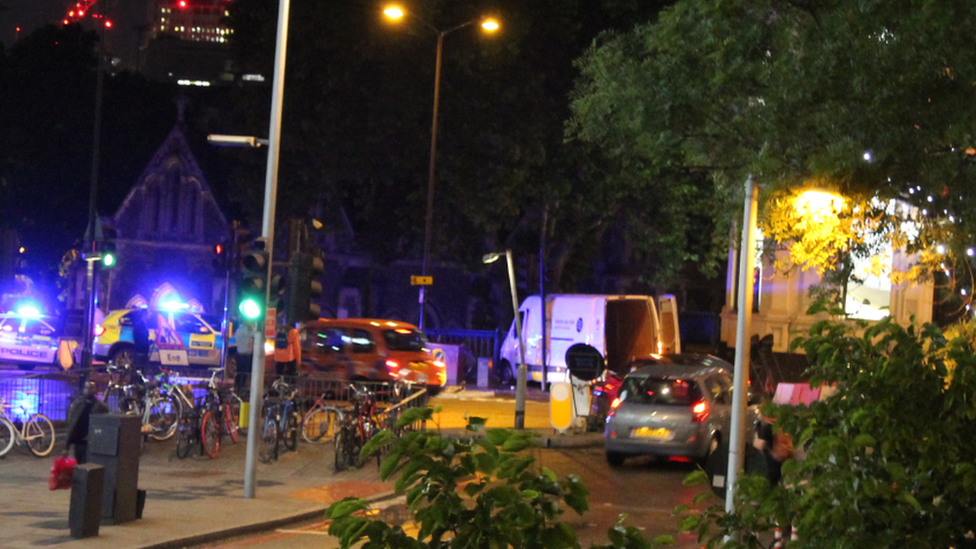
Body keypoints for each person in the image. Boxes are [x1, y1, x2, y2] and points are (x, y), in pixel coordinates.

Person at [65, 382, 109, 464]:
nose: (88, 390)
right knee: (80, 465)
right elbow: (71, 426)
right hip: (79, 443)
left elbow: (104, 426)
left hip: (93, 443)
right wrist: (66, 447)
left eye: (91, 388)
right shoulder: (76, 405)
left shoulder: (101, 407)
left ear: (96, 390)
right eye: (86, 387)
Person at [234, 320, 255, 391]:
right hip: (245, 355)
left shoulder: (239, 329)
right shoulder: (246, 330)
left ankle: (238, 386)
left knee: (239, 371)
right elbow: (256, 334)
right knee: (244, 372)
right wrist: (254, 327)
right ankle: (241, 387)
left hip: (239, 353)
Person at [132, 311, 151, 375]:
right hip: (141, 350)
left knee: (141, 368)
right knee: (140, 368)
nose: (150, 315)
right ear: (144, 315)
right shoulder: (140, 326)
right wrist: (148, 342)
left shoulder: (143, 325)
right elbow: (141, 339)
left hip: (142, 350)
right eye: (149, 313)